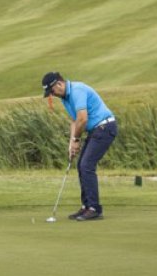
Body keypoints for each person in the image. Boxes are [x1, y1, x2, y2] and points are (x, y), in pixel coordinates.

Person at [42, 71, 118, 221]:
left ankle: (94, 208)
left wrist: (76, 139)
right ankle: (86, 206)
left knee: (86, 165)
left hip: (105, 127)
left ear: (59, 84)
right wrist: (72, 143)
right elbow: (74, 120)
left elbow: (83, 119)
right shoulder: (65, 98)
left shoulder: (77, 91)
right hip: (96, 129)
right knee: (81, 165)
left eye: (52, 91)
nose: (52, 94)